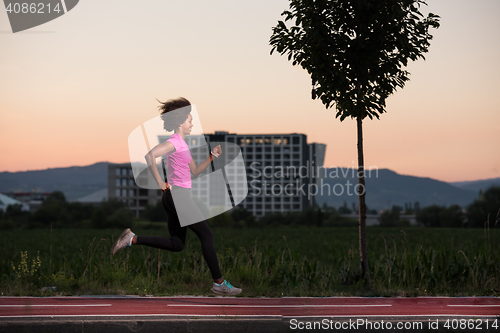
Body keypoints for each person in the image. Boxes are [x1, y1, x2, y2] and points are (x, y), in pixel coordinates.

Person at [111, 97, 242, 296]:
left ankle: (132, 239)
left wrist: (212, 156)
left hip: (173, 198)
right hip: (178, 196)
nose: (192, 124)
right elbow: (150, 156)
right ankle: (219, 283)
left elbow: (196, 171)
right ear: (180, 122)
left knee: (177, 244)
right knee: (207, 235)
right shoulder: (173, 142)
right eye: (190, 121)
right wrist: (159, 182)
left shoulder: (182, 145)